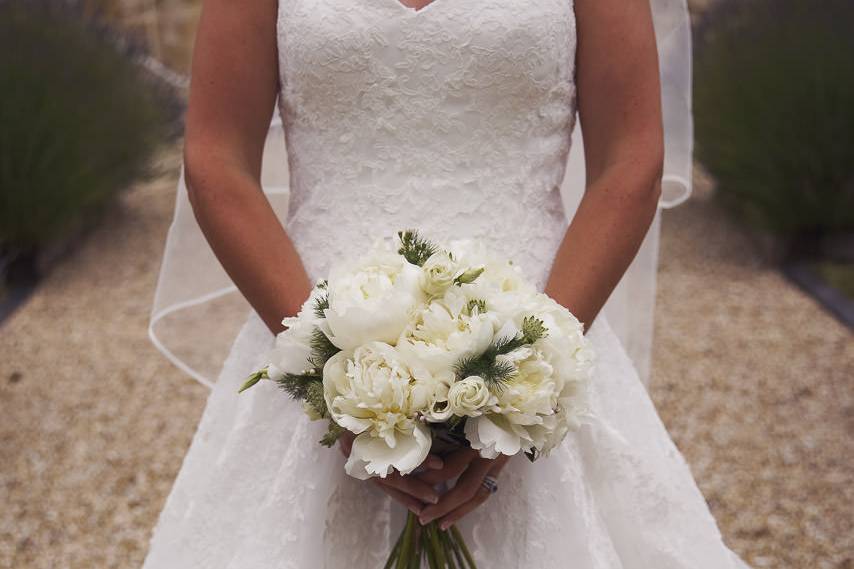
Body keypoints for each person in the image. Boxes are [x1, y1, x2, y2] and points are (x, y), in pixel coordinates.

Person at [142, 0, 753, 566]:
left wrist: (522, 391)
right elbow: (216, 162)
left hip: (540, 324)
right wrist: (335, 380)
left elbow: (630, 162)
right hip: (309, 326)